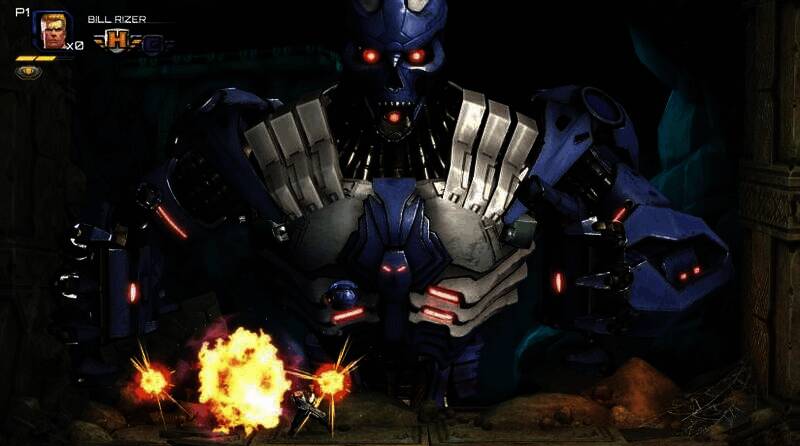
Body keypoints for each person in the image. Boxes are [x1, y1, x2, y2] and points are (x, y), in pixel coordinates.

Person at [57, 0, 732, 407]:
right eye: (374, 55)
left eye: (413, 57)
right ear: (349, 52)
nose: (395, 80)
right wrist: (114, 322)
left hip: (474, 383)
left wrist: (609, 284)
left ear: (437, 50)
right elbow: (140, 222)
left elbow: (684, 252)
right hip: (297, 379)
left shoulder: (526, 140)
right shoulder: (269, 142)